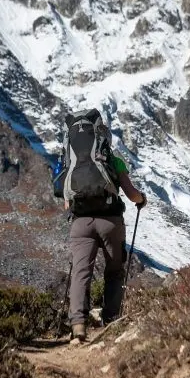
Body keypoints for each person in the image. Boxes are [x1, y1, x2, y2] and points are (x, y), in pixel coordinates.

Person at [63, 145, 147, 342]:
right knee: (114, 271)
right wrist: (142, 199)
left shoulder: (72, 162)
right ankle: (111, 321)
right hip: (111, 223)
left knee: (81, 272)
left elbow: (67, 202)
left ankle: (78, 325)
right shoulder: (113, 160)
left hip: (81, 224)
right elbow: (131, 194)